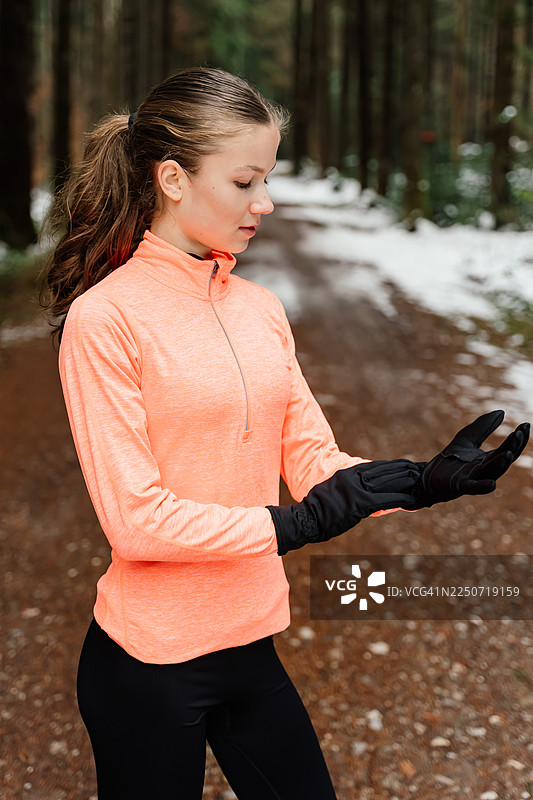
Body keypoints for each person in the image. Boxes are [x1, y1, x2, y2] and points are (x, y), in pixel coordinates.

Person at [40, 68, 529, 800]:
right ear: (172, 178)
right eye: (245, 182)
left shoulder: (260, 308)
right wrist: (293, 526)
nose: (264, 203)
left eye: (265, 180)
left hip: (247, 644)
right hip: (147, 663)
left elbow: (309, 457)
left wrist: (416, 481)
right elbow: (137, 521)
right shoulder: (106, 319)